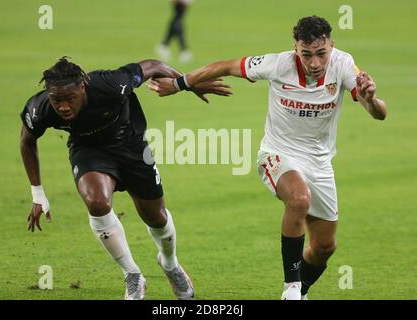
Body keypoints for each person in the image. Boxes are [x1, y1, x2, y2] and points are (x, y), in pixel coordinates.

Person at [148, 16, 387, 300]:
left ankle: (302, 292)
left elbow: (379, 114)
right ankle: (292, 288)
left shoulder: (344, 64)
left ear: (331, 47)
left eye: (321, 54)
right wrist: (178, 84)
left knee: (324, 247)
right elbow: (225, 66)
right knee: (299, 199)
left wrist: (371, 99)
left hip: (319, 162)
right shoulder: (278, 64)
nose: (314, 63)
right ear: (296, 48)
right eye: (306, 54)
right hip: (277, 154)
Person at [20, 56, 230, 300]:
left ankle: (170, 263)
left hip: (132, 147)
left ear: (82, 87)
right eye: (57, 100)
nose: (63, 106)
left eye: (69, 99)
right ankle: (132, 275)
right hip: (89, 152)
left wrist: (186, 83)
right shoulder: (40, 108)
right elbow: (27, 141)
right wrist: (37, 194)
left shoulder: (112, 84)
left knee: (156, 217)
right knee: (97, 203)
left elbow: (153, 66)